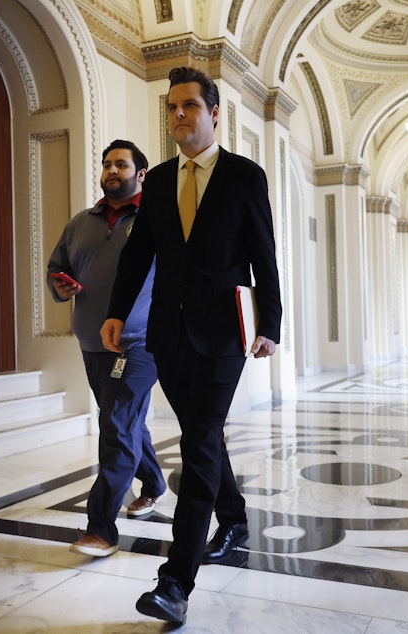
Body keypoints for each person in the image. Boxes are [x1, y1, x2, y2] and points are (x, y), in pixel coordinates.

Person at [100, 67, 282, 625]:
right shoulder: (155, 183)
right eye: (172, 107)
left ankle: (175, 582)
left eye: (190, 106)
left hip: (224, 334)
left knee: (200, 441)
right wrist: (115, 311)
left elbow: (263, 255)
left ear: (214, 112)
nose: (179, 115)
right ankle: (234, 516)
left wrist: (269, 323)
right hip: (167, 335)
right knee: (202, 436)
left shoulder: (244, 176)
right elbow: (138, 256)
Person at [47, 139, 166, 558]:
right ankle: (153, 483)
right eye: (107, 164)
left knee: (116, 426)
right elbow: (56, 266)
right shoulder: (81, 222)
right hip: (91, 342)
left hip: (139, 343)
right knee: (125, 421)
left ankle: (101, 528)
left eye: (121, 164)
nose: (112, 170)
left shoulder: (156, 219)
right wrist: (59, 284)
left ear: (141, 173)